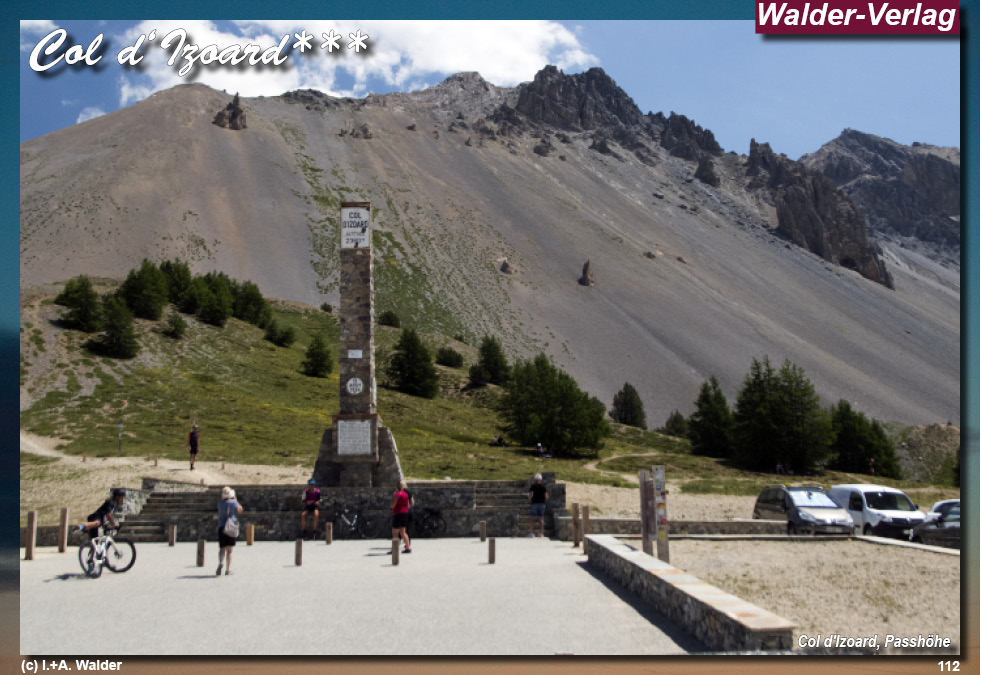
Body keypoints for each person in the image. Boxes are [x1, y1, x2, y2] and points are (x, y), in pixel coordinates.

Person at [217, 486, 242, 576]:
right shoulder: (233, 502)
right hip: (231, 526)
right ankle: (227, 570)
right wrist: (235, 499)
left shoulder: (219, 503)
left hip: (221, 526)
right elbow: (240, 510)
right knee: (230, 550)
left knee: (222, 549)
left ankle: (220, 563)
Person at [391, 480, 412, 554]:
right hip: (405, 514)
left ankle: (394, 549)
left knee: (395, 533)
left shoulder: (397, 494)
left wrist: (391, 508)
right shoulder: (406, 494)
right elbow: (408, 505)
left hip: (398, 514)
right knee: (403, 532)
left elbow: (393, 504)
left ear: (396, 487)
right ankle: (408, 547)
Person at [528, 473, 548, 537]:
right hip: (542, 504)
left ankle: (531, 533)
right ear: (541, 480)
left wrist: (529, 499)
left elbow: (531, 495)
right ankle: (541, 533)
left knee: (532, 518)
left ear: (535, 479)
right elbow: (546, 496)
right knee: (541, 519)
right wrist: (544, 502)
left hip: (534, 503)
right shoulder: (543, 487)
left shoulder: (533, 486)